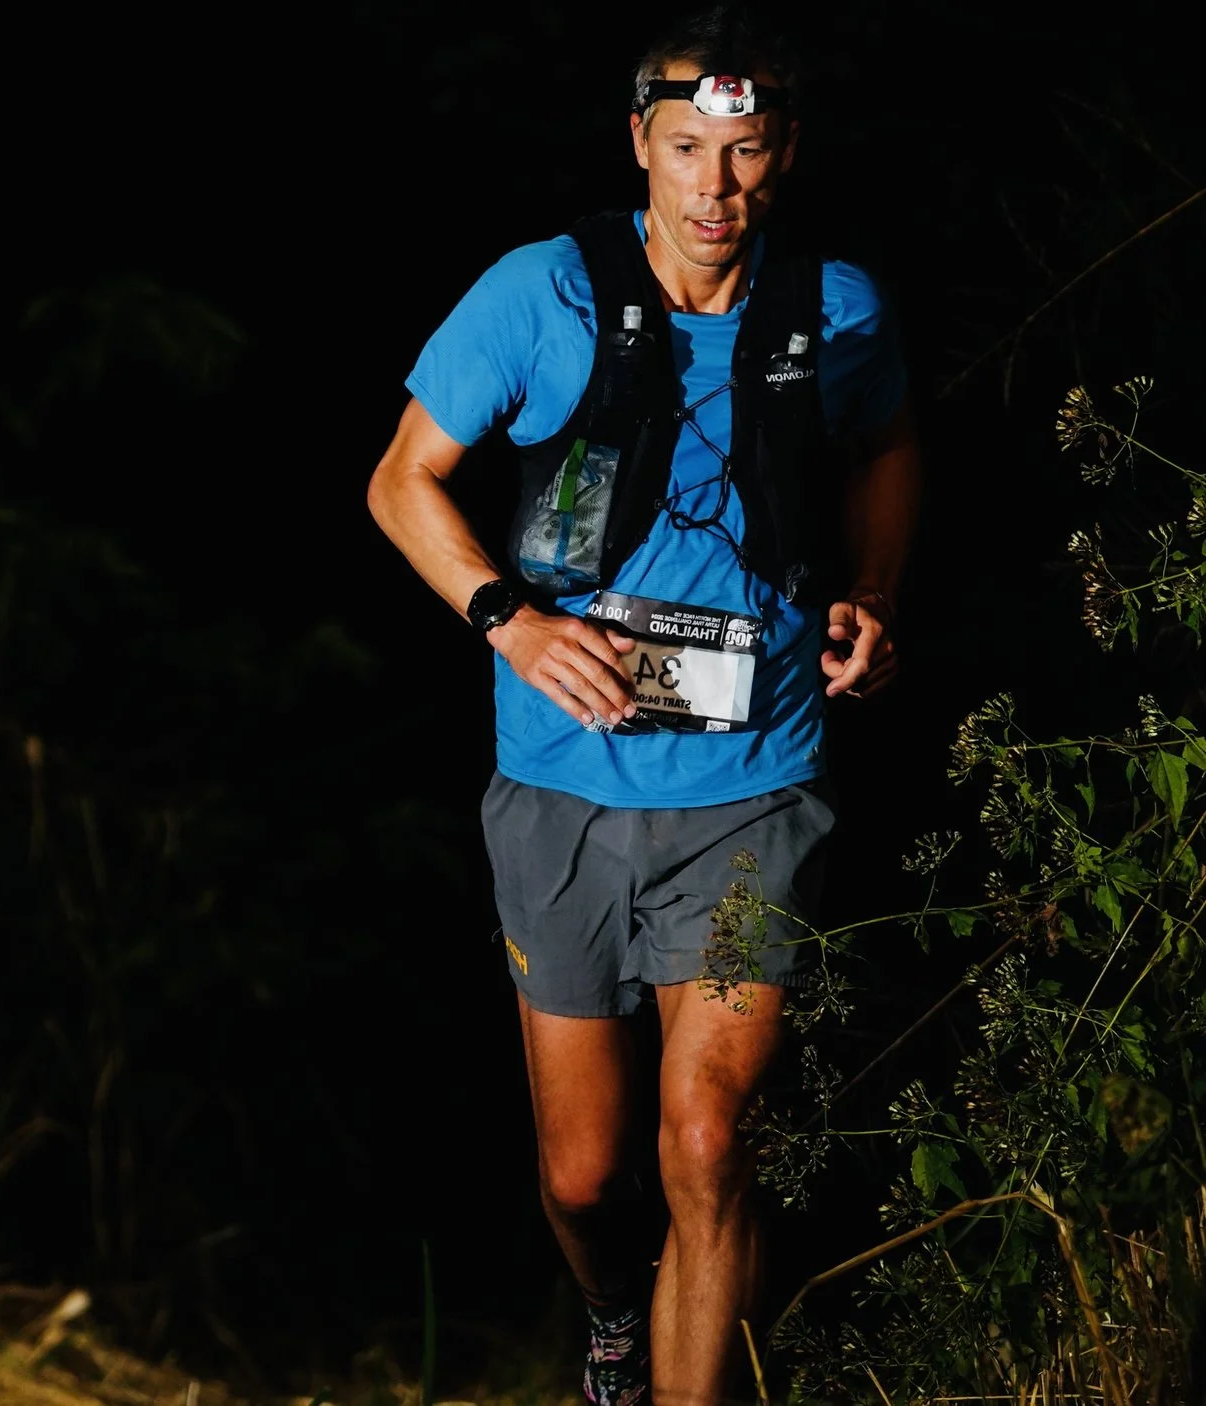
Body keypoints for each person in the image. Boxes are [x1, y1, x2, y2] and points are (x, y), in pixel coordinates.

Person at [364, 7, 918, 1404]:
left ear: (785, 151)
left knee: (710, 1142)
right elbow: (400, 480)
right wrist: (510, 620)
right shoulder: (541, 294)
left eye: (746, 152)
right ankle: (615, 1311)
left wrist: (871, 586)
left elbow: (888, 443)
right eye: (686, 151)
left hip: (756, 781)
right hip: (564, 781)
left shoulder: (837, 309)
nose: (715, 189)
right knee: (585, 1174)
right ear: (639, 144)